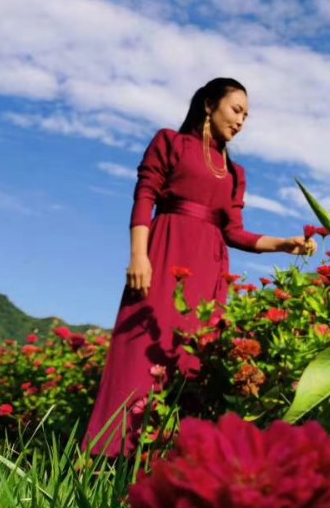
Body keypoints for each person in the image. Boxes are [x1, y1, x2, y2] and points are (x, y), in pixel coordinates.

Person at [81, 78, 313, 457]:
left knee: (193, 361)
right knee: (141, 352)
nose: (241, 121)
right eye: (236, 110)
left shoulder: (235, 172)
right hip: (165, 253)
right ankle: (110, 456)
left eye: (247, 116)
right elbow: (145, 196)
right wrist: (139, 256)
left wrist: (284, 244)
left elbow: (235, 232)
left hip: (209, 271)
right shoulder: (170, 142)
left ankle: (171, 461)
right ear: (209, 104)